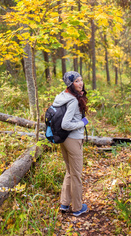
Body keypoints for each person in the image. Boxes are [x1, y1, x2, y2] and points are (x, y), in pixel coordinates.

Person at [53, 71, 89, 216]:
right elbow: (66, 124)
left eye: (81, 80)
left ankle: (64, 203)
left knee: (70, 171)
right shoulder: (73, 101)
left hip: (64, 139)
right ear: (70, 84)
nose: (80, 83)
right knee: (76, 174)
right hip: (73, 139)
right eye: (76, 81)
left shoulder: (62, 96)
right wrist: (82, 123)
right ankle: (77, 208)